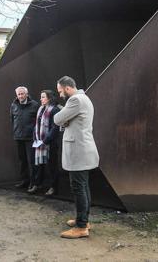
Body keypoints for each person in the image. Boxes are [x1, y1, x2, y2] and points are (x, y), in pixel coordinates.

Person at [54, 76, 99, 239]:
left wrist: (64, 120)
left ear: (67, 88)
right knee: (83, 187)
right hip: (83, 150)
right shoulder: (84, 98)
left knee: (79, 188)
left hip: (79, 152)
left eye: (60, 91)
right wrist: (66, 121)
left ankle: (81, 227)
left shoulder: (75, 100)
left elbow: (57, 119)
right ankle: (84, 221)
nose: (60, 95)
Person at [31, 90, 61, 195]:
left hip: (50, 143)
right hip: (39, 142)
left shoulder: (55, 109)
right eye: (41, 97)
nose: (41, 99)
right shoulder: (40, 109)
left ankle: (53, 187)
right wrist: (35, 137)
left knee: (52, 166)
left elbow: (55, 128)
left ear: (49, 98)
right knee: (38, 165)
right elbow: (36, 125)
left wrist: (45, 141)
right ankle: (37, 184)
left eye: (43, 97)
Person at [10, 86, 39, 190]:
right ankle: (24, 181)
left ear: (27, 94)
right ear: (16, 95)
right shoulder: (14, 105)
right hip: (18, 137)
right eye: (19, 94)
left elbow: (38, 122)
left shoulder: (34, 105)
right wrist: (15, 131)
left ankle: (34, 183)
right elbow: (12, 120)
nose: (21, 96)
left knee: (32, 162)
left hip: (30, 138)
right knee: (22, 161)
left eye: (22, 94)